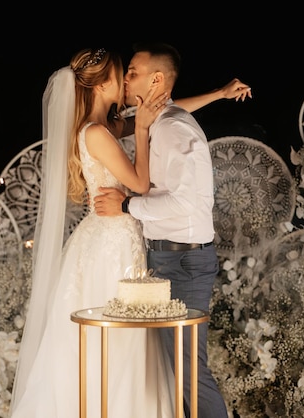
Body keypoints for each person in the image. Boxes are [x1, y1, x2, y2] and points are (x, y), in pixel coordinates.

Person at [10, 47, 173, 418]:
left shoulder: (106, 126)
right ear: (102, 85)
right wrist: (144, 130)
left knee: (128, 333)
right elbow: (142, 184)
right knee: (116, 335)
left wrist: (217, 95)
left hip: (113, 235)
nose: (128, 81)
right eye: (122, 75)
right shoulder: (96, 133)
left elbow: (165, 109)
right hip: (109, 243)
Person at [94, 42, 251, 418]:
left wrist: (127, 206)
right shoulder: (162, 119)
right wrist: (218, 93)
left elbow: (185, 204)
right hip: (166, 258)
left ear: (157, 79)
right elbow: (168, 111)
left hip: (183, 263)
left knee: (189, 374)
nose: (127, 78)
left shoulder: (172, 130)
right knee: (171, 372)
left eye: (132, 71)